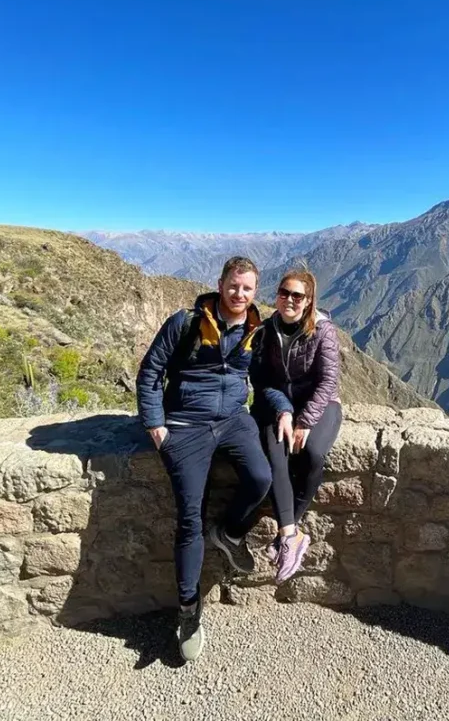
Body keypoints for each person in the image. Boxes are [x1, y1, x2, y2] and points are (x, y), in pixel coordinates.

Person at [135, 256, 273, 662]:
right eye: (234, 286)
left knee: (261, 478)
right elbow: (150, 371)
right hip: (185, 424)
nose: (240, 294)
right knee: (189, 516)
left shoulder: (255, 329)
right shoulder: (187, 322)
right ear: (220, 284)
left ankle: (229, 533)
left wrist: (285, 410)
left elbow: (264, 380)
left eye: (247, 289)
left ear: (254, 293)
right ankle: (188, 610)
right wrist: (155, 424)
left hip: (233, 420)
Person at [250, 268, 342, 584]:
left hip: (321, 403)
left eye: (297, 295)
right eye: (284, 292)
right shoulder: (266, 330)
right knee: (277, 456)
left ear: (308, 301)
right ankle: (290, 534)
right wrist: (285, 412)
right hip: (278, 406)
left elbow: (328, 380)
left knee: (314, 454)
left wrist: (305, 420)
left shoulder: (323, 330)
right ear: (277, 295)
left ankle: (287, 534)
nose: (289, 299)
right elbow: (261, 380)